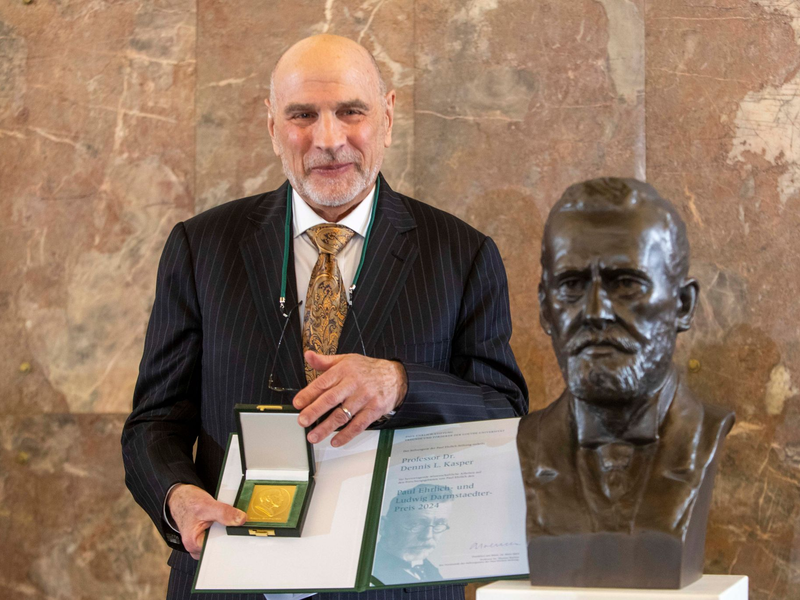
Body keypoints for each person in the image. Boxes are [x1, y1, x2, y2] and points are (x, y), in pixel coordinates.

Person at [122, 34, 527, 600]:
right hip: (229, 579)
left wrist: (401, 384)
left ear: (386, 115)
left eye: (350, 112)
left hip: (394, 588)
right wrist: (175, 497)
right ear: (271, 124)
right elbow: (153, 424)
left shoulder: (462, 254)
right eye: (302, 115)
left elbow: (505, 414)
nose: (328, 139)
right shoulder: (201, 247)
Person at [517, 178, 734, 589]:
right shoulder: (531, 444)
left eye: (627, 284)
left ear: (682, 305)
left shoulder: (702, 437)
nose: (596, 312)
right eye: (572, 286)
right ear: (546, 310)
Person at [372, 484, 454, 585]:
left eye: (439, 524)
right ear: (384, 526)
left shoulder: (432, 571)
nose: (428, 536)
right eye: (415, 524)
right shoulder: (370, 572)